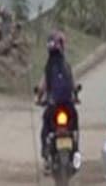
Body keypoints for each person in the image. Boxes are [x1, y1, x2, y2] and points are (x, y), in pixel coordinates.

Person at [36, 31, 77, 172]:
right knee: (74, 128)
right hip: (68, 105)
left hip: (53, 106)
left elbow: (43, 86)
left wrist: (39, 97)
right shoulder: (66, 65)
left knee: (45, 129)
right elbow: (72, 84)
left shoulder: (49, 66)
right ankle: (75, 154)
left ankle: (46, 157)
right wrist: (75, 96)